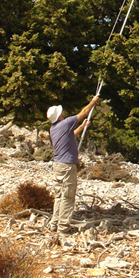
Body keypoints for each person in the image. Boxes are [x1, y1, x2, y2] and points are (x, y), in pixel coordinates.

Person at [46, 94, 99, 233]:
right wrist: (93, 101)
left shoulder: (54, 128)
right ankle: (63, 227)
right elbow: (84, 112)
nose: (63, 112)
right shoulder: (65, 123)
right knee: (68, 196)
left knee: (59, 195)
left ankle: (54, 224)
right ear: (59, 115)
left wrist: (82, 126)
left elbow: (72, 135)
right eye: (61, 111)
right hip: (67, 165)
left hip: (58, 165)